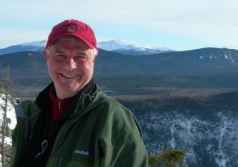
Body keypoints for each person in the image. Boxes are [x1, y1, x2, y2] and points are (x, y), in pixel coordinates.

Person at [9, 19, 148, 167]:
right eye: (60, 55)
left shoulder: (112, 120)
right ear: (47, 56)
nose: (70, 66)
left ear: (93, 60)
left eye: (80, 56)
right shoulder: (31, 116)